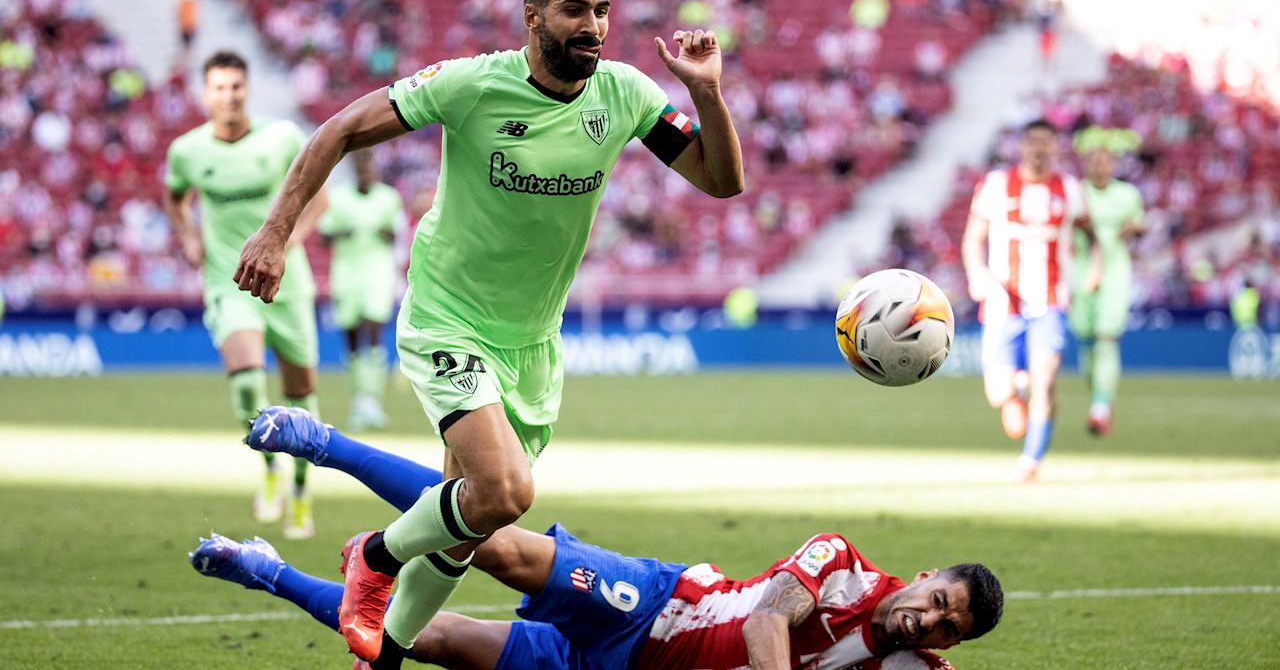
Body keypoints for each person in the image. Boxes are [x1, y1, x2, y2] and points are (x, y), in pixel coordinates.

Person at [232, 0, 745, 664]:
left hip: (533, 343)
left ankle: (380, 653)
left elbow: (722, 181)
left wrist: (708, 94)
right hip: (449, 318)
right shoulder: (472, 83)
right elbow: (342, 129)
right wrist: (276, 230)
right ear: (532, 16)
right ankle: (374, 556)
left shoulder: (624, 94)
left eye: (601, 9)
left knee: (465, 527)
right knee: (504, 494)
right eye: (573, 9)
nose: (593, 25)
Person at [191, 406, 1002, 670]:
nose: (931, 621)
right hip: (652, 602)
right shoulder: (840, 561)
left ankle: (264, 572)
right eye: (940, 601)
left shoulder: (912, 665)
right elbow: (764, 625)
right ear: (927, 575)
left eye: (948, 628)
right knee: (493, 538)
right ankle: (319, 441)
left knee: (413, 639)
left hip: (612, 668)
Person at [163, 50, 328, 539]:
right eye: (219, 87)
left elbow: (318, 193)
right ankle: (270, 468)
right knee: (246, 378)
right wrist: (189, 236)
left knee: (301, 394)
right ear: (204, 93)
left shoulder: (280, 138)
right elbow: (174, 196)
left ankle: (300, 490)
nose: (228, 96)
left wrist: (295, 237)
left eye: (236, 86)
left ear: (246, 90)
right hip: (226, 278)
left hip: (285, 280)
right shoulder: (187, 151)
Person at [961, 119, 1090, 482]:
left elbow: (1089, 235)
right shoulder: (996, 185)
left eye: (1045, 142)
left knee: (1045, 380)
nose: (1038, 148)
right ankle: (1015, 389)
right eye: (1032, 141)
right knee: (998, 393)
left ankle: (1030, 462)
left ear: (1055, 147)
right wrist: (976, 273)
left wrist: (1091, 269)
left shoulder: (1069, 189)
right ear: (1020, 146)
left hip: (1050, 301)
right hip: (1004, 301)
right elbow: (973, 238)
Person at [320, 149, 405, 432]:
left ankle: (373, 400)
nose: (366, 173)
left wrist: (382, 232)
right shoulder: (338, 198)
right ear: (355, 170)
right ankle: (359, 400)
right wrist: (344, 232)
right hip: (346, 274)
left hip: (376, 273)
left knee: (373, 332)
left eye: (369, 168)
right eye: (361, 168)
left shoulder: (389, 198)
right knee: (353, 338)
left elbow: (395, 235)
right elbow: (324, 235)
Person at [1068, 144, 1143, 436]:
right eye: (1094, 160)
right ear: (1086, 164)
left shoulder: (1127, 195)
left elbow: (1139, 224)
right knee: (1085, 339)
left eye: (1105, 161)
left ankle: (1100, 407)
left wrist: (1133, 229)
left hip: (1115, 272)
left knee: (1106, 337)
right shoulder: (1076, 193)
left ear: (1113, 164)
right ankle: (1100, 397)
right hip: (1079, 270)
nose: (1100, 166)